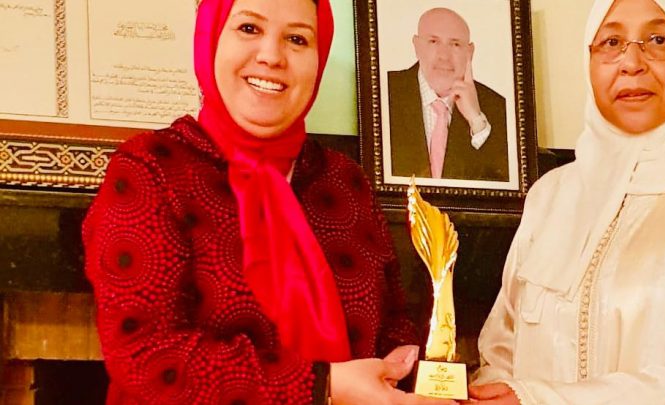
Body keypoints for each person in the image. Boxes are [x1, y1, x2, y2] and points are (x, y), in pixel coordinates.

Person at [81, 0, 457, 404]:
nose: (272, 56)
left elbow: (393, 320)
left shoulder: (344, 179)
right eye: (249, 29)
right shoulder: (152, 168)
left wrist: (419, 375)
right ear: (211, 38)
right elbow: (146, 356)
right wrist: (323, 385)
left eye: (297, 39)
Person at [469, 0, 665, 404]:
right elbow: (499, 349)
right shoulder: (551, 195)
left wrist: (537, 400)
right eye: (611, 42)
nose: (631, 63)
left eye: (658, 40)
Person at [387, 7, 509, 182]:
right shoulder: (385, 91)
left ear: (470, 52)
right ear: (416, 46)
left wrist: (476, 121)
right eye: (433, 41)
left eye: (455, 44)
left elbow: (502, 183)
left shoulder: (498, 107)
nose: (444, 56)